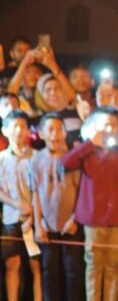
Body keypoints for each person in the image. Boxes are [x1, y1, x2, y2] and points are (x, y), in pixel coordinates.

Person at [62, 107, 118, 301]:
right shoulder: (87, 149)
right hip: (93, 217)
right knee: (94, 264)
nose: (109, 128)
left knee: (113, 266)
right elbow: (66, 163)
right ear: (93, 126)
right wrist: (91, 143)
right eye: (105, 124)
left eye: (113, 125)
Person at [29, 113, 85, 301]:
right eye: (50, 129)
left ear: (65, 133)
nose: (55, 134)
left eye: (59, 129)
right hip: (47, 227)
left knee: (73, 271)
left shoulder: (72, 158)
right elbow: (35, 193)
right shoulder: (36, 160)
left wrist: (74, 219)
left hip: (70, 225)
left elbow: (80, 191)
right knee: (49, 270)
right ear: (41, 133)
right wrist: (39, 224)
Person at [0, 111, 41, 301]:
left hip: (34, 219)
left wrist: (31, 216)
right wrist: (16, 204)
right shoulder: (1, 158)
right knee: (12, 265)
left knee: (36, 265)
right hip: (10, 219)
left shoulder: (36, 157)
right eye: (14, 126)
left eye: (23, 126)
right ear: (5, 130)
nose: (19, 130)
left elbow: (40, 189)